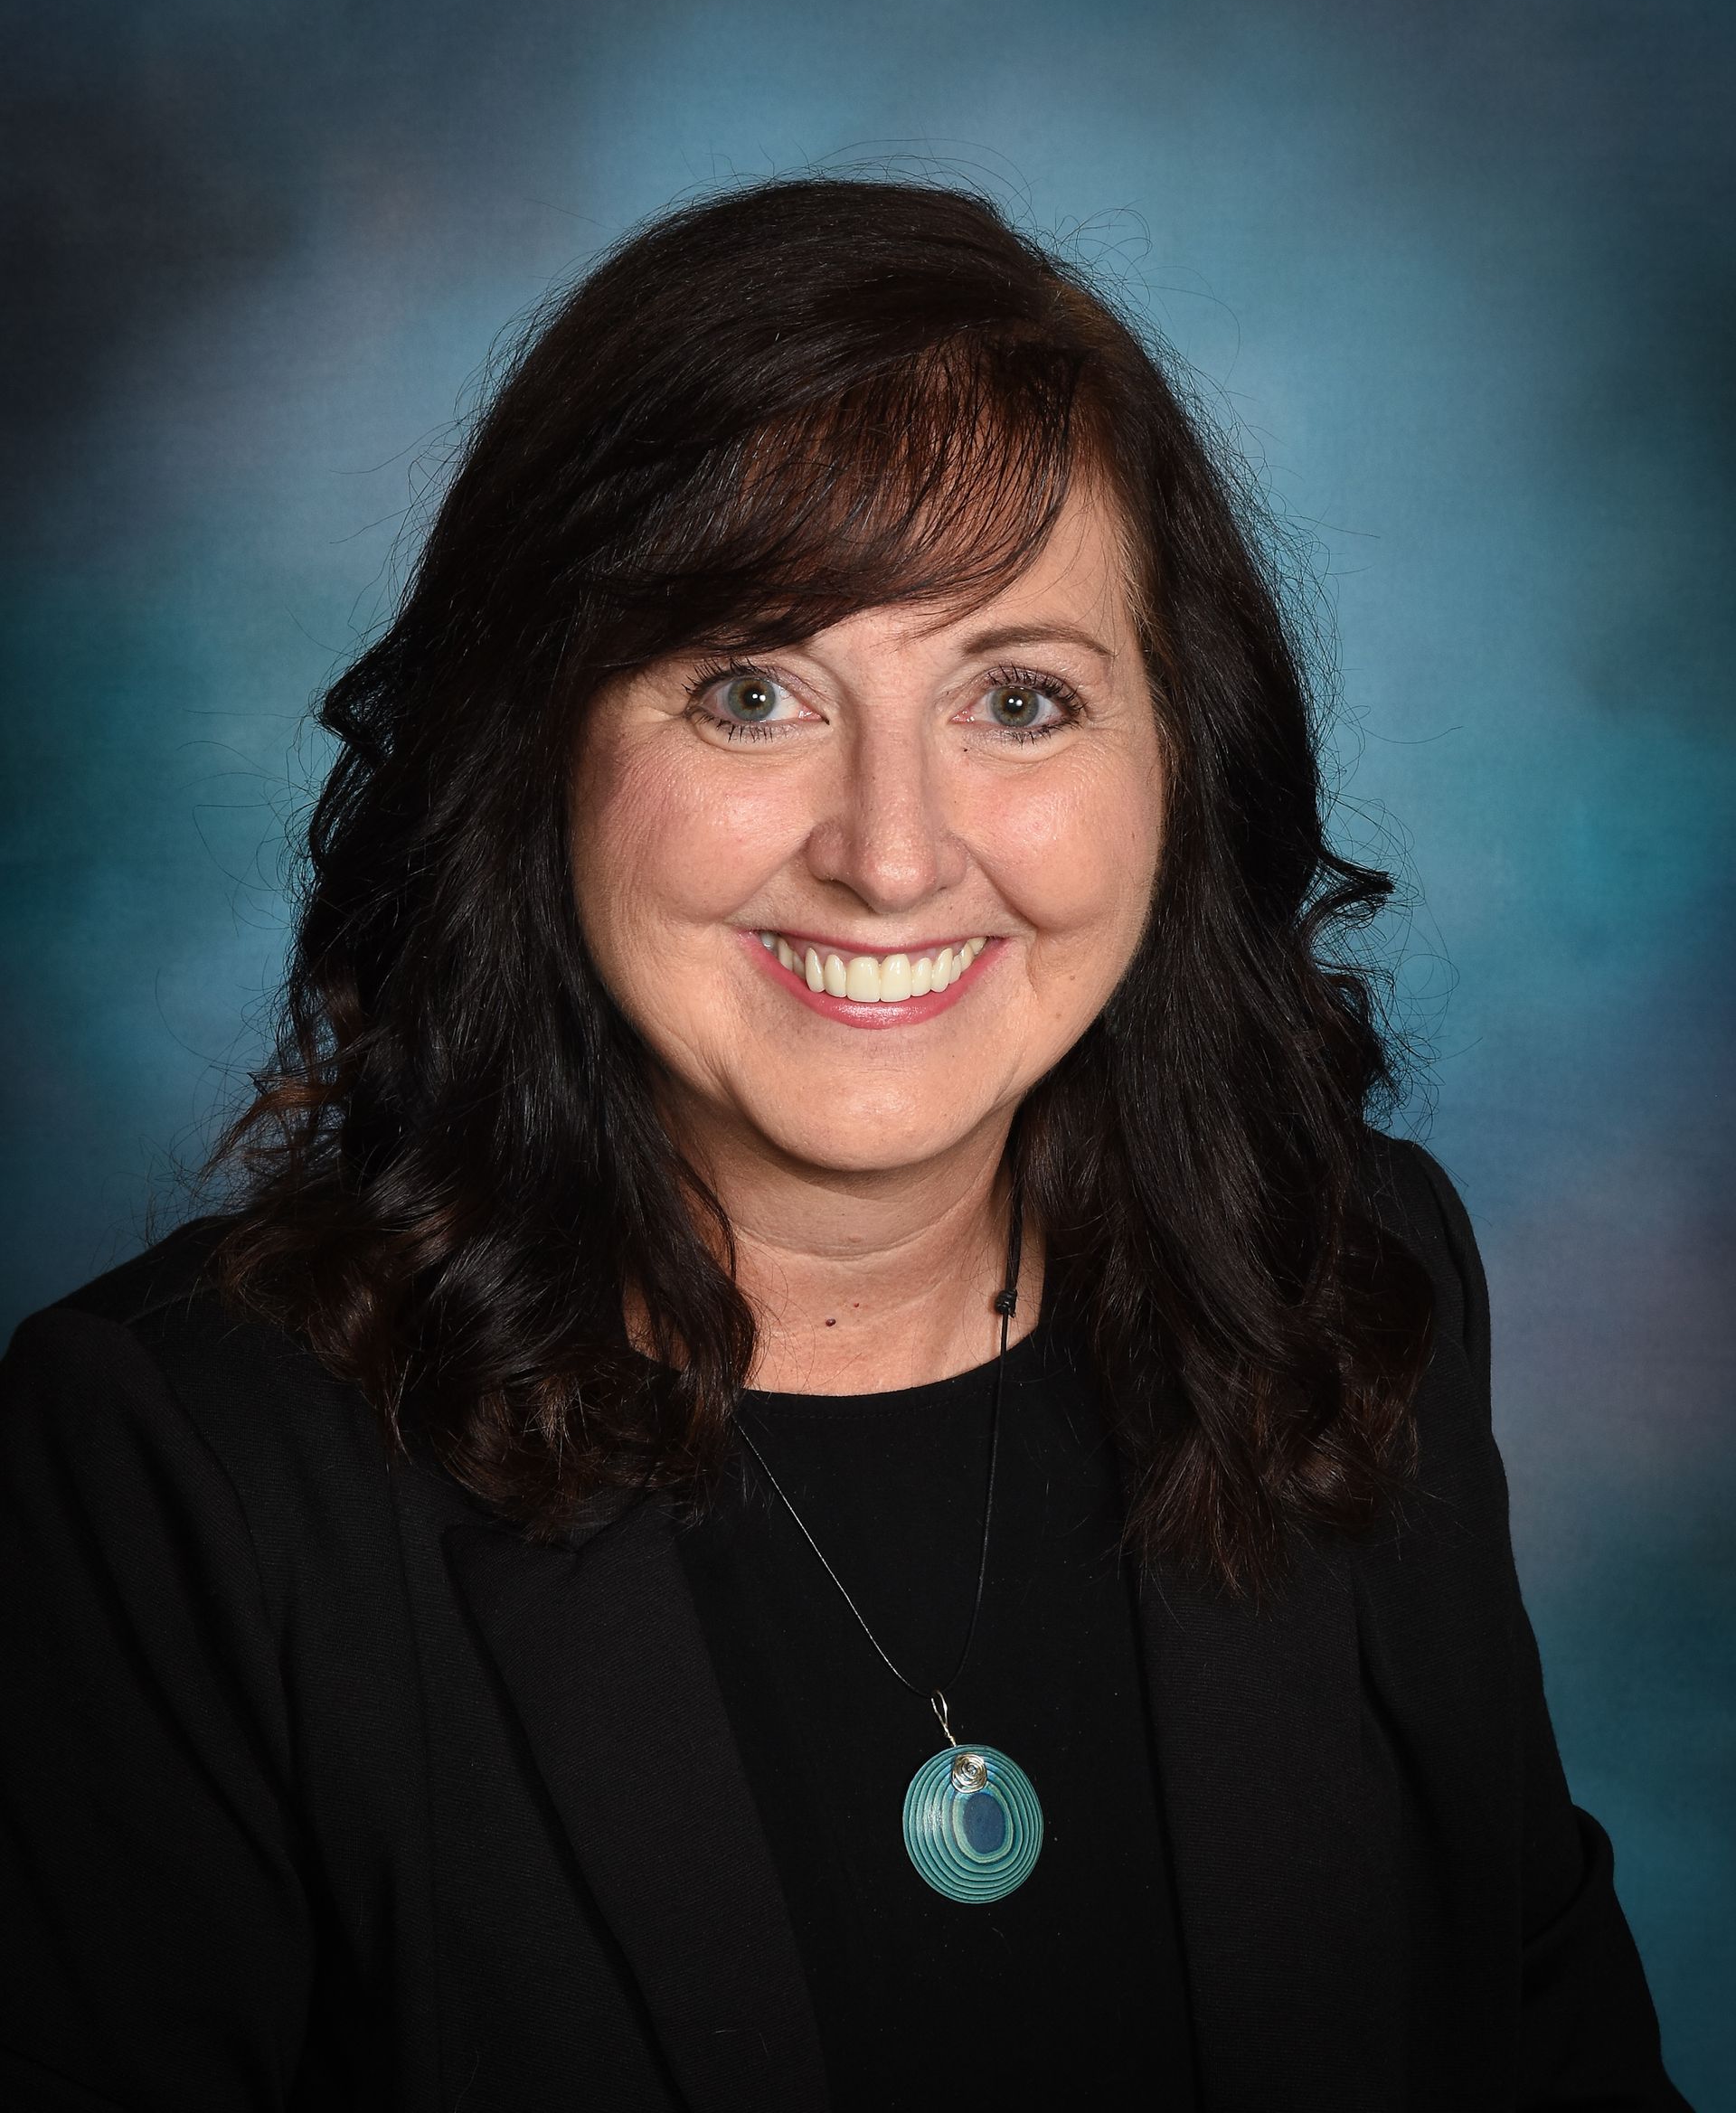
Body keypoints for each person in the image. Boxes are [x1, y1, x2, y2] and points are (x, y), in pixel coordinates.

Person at [0, 176, 1689, 2113]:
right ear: (536, 746)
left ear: (1180, 758)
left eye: (1021, 699)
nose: (890, 854)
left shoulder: (1348, 1282)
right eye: (753, 692)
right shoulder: (176, 1473)